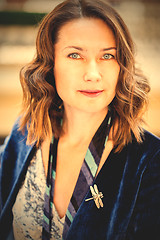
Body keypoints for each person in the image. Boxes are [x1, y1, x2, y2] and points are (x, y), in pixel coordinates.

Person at [0, 0, 160, 239]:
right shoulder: (26, 132)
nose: (93, 74)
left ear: (122, 67)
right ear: (50, 63)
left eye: (107, 56)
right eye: (75, 55)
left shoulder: (149, 159)